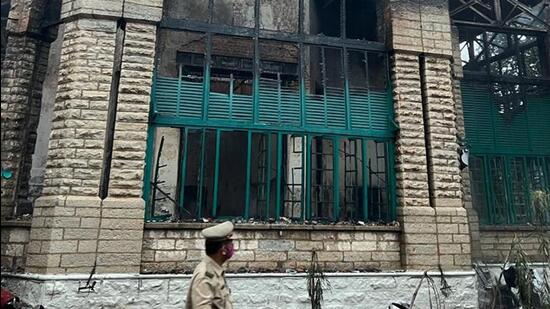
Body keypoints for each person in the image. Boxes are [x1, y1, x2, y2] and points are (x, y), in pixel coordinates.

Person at [185, 221, 235, 309]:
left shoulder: (215, 270)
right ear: (223, 249)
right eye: (230, 243)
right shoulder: (205, 276)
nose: (233, 246)